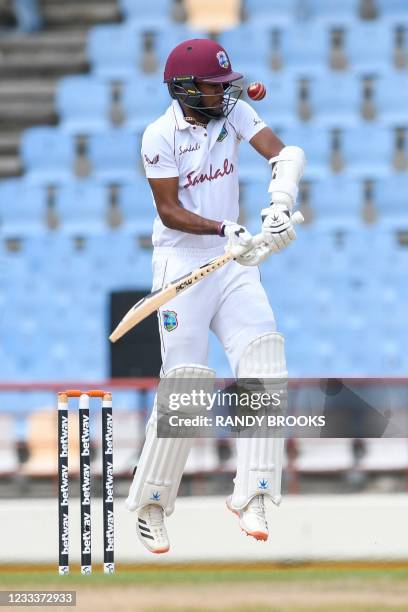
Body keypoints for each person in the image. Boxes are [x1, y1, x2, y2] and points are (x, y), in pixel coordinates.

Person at [125, 38, 305, 553]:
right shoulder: (159, 134)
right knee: (187, 384)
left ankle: (255, 491)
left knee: (265, 356)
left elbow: (285, 153)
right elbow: (169, 211)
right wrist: (226, 227)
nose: (225, 93)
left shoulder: (235, 112)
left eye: (228, 85)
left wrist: (277, 207)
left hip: (235, 263)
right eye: (214, 85)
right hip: (182, 264)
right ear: (185, 88)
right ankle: (153, 504)